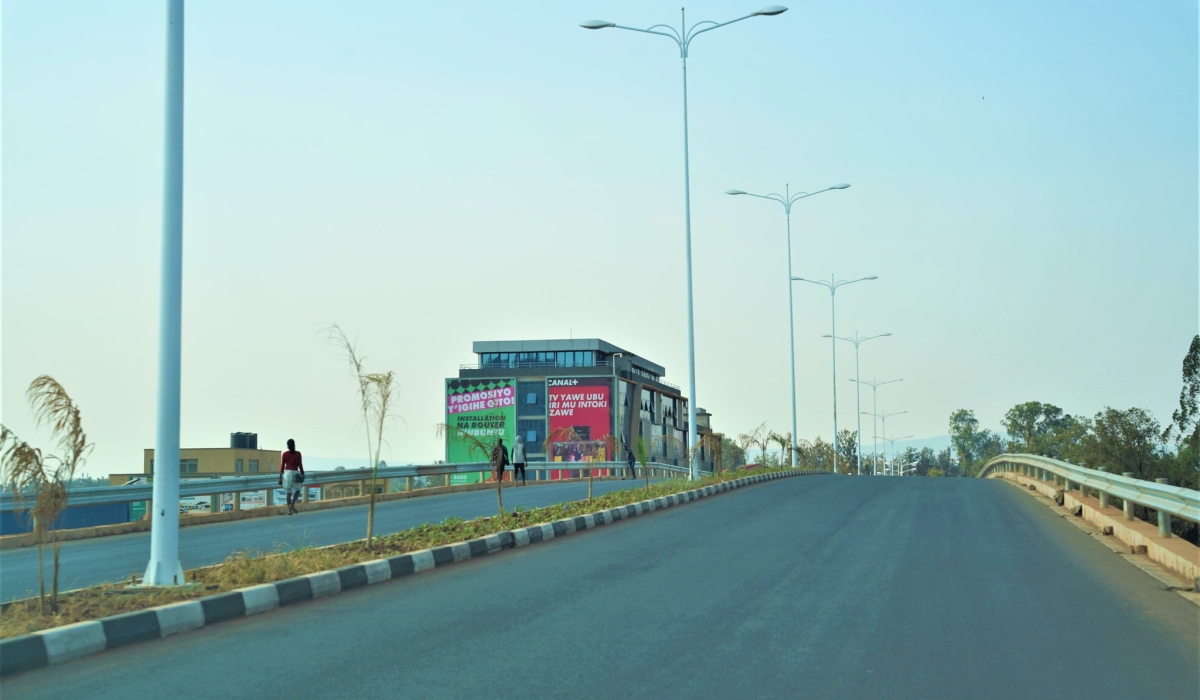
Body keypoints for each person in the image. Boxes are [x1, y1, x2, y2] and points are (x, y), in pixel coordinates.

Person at [279, 438, 305, 515]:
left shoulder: (285, 454)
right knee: (297, 490)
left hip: (286, 474)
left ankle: (289, 510)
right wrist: (303, 474)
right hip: (294, 473)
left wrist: (280, 477)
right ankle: (292, 504)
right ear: (294, 445)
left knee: (288, 492)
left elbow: (282, 466)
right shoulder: (298, 454)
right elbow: (300, 465)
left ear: (288, 446)